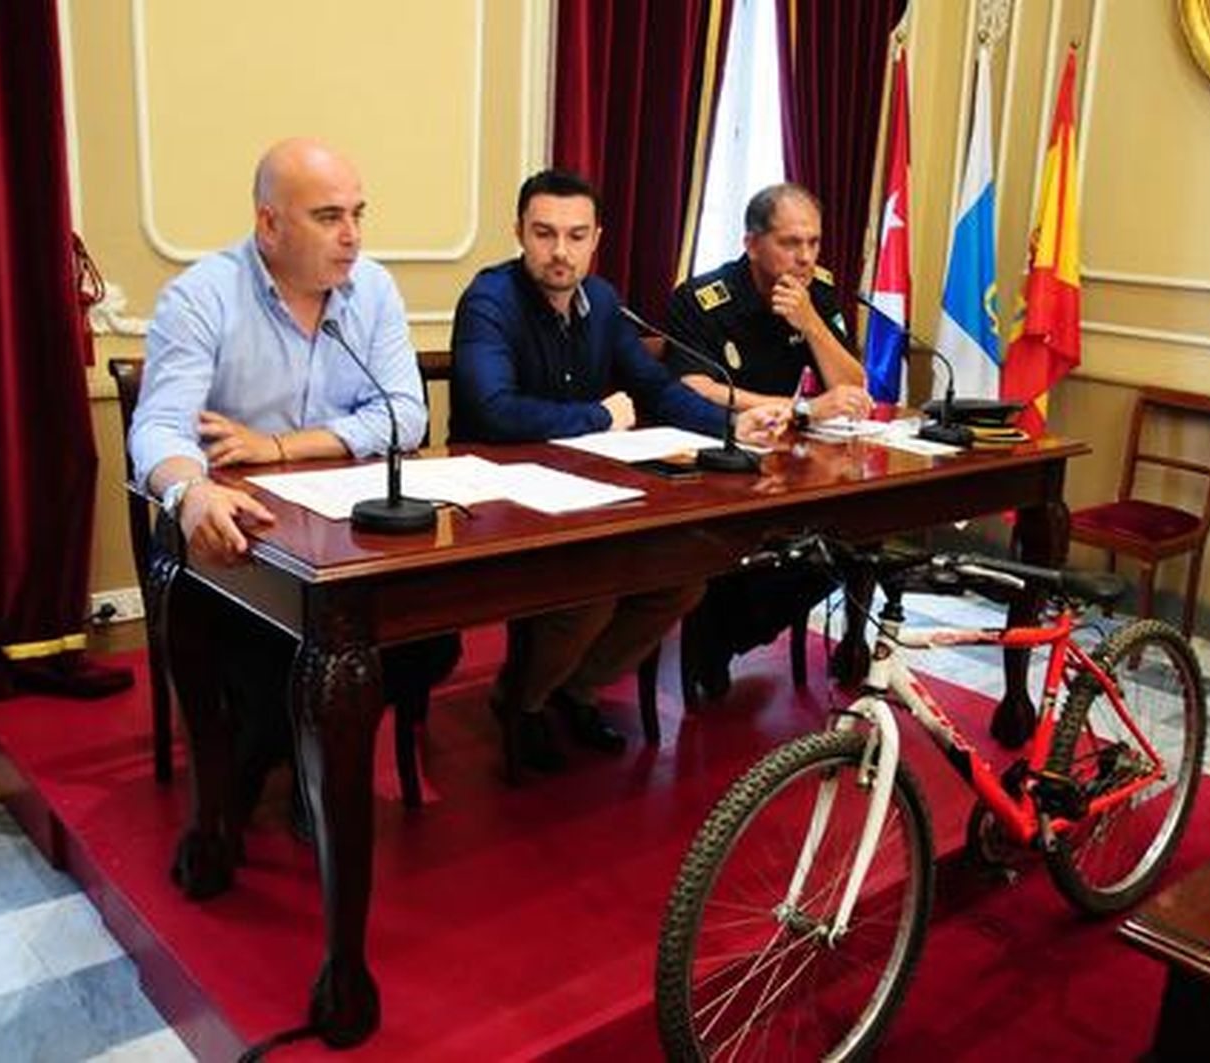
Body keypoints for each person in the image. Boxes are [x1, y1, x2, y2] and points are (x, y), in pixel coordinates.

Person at [129, 137, 460, 826]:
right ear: (269, 224)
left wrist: (278, 445)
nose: (352, 236)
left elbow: (406, 414)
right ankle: (289, 775)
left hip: (341, 534)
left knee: (431, 640)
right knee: (271, 656)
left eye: (359, 214)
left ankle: (287, 758)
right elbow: (158, 428)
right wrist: (191, 492)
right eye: (329, 217)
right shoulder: (202, 296)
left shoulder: (372, 289)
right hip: (243, 539)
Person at [450, 169, 785, 780]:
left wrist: (731, 426)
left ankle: (573, 688)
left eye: (576, 236)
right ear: (518, 233)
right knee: (593, 589)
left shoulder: (602, 302)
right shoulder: (489, 300)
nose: (560, 251)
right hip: (497, 495)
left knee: (681, 579)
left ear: (596, 239)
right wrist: (598, 416)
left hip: (585, 488)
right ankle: (523, 703)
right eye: (544, 233)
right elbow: (493, 411)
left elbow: (655, 387)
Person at [664, 183, 871, 697]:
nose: (805, 257)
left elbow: (853, 387)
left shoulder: (815, 293)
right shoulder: (703, 298)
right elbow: (694, 387)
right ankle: (714, 642)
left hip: (787, 460)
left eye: (813, 242)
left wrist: (811, 324)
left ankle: (726, 638)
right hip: (717, 457)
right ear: (752, 243)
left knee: (851, 540)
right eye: (790, 243)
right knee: (741, 549)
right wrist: (798, 409)